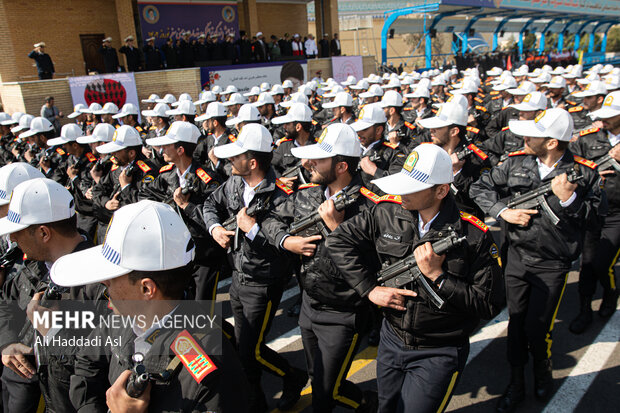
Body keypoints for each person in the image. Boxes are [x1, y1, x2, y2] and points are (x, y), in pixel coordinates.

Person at [326, 143, 505, 413]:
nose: (400, 191)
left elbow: (489, 303)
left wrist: (440, 278)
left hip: (439, 350)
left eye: (412, 185)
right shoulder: (386, 211)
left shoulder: (473, 235)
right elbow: (339, 242)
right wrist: (370, 289)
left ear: (441, 190)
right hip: (392, 338)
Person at [51, 200, 250, 412]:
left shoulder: (211, 373)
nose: (103, 283)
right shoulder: (122, 318)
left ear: (147, 289)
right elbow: (85, 368)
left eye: (112, 277)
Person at [469, 108, 605, 412]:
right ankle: (516, 382)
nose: (525, 137)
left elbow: (597, 220)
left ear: (553, 142)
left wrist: (569, 200)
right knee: (515, 325)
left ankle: (542, 370)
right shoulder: (517, 162)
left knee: (538, 327)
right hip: (517, 257)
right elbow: (480, 187)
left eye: (533, 134)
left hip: (552, 263)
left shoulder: (584, 173)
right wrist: (503, 212)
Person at [263, 123, 379, 412]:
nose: (308, 163)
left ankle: (366, 402)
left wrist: (337, 230)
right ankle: (365, 401)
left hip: (344, 313)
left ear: (341, 166)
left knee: (324, 394)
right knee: (320, 381)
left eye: (319, 159)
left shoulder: (371, 206)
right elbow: (270, 219)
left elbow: (373, 267)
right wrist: (286, 240)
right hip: (309, 306)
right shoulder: (309, 194)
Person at [202, 124, 307, 412]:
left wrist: (251, 231)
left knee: (252, 352)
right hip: (238, 277)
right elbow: (211, 202)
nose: (229, 162)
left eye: (236, 157)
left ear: (252, 162)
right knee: (245, 350)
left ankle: (290, 378)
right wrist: (214, 228)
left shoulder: (282, 195)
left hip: (263, 283)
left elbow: (285, 248)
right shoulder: (235, 183)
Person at [0, 178, 104, 413]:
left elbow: (105, 364)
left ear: (44, 233)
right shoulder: (35, 265)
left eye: (17, 232)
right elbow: (5, 301)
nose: (13, 239)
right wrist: (6, 343)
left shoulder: (99, 285)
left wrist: (54, 333)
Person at [567, 91, 620, 334]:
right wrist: (596, 171)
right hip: (592, 210)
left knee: (602, 262)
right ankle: (584, 310)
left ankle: (610, 294)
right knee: (587, 265)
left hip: (617, 214)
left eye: (611, 116)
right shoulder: (587, 139)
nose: (603, 120)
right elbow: (570, 168)